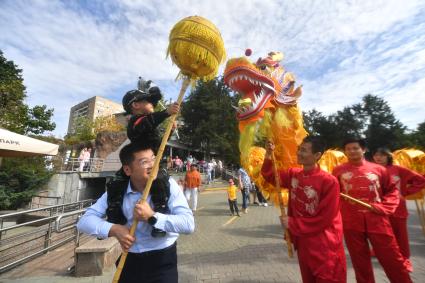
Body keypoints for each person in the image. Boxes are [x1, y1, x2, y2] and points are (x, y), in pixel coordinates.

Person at [77, 143, 194, 283]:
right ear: (127, 170)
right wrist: (114, 229)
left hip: (163, 259)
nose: (152, 165)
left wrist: (152, 216)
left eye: (153, 158)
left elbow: (188, 224)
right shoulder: (116, 191)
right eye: (144, 162)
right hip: (128, 259)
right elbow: (84, 221)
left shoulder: (167, 185)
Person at [262, 137, 347, 283]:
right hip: (303, 241)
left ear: (317, 155)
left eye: (304, 150)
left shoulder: (329, 181)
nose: (299, 153)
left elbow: (325, 218)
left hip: (324, 245)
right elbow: (271, 176)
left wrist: (292, 223)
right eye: (299, 149)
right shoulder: (293, 174)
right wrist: (269, 155)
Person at [333, 138, 412, 283]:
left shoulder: (379, 169)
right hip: (351, 222)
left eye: (355, 148)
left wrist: (383, 207)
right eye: (348, 149)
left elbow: (392, 191)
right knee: (360, 262)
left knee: (392, 258)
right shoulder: (338, 170)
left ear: (363, 150)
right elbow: (332, 194)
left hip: (378, 220)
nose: (351, 151)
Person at [106, 82, 180, 238]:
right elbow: (146, 123)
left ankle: (159, 219)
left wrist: (169, 132)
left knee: (161, 183)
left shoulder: (150, 122)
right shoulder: (136, 121)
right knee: (115, 182)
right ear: (136, 105)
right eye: (148, 101)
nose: (152, 104)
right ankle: (114, 215)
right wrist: (166, 112)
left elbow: (158, 146)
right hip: (135, 163)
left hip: (151, 164)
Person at [373, 147, 425, 268]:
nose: (378, 157)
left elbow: (420, 180)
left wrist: (405, 192)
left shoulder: (398, 169)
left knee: (400, 234)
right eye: (376, 155)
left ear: (388, 157)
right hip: (378, 207)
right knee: (380, 232)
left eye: (382, 155)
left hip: (397, 207)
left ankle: (404, 257)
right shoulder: (372, 170)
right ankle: (381, 252)